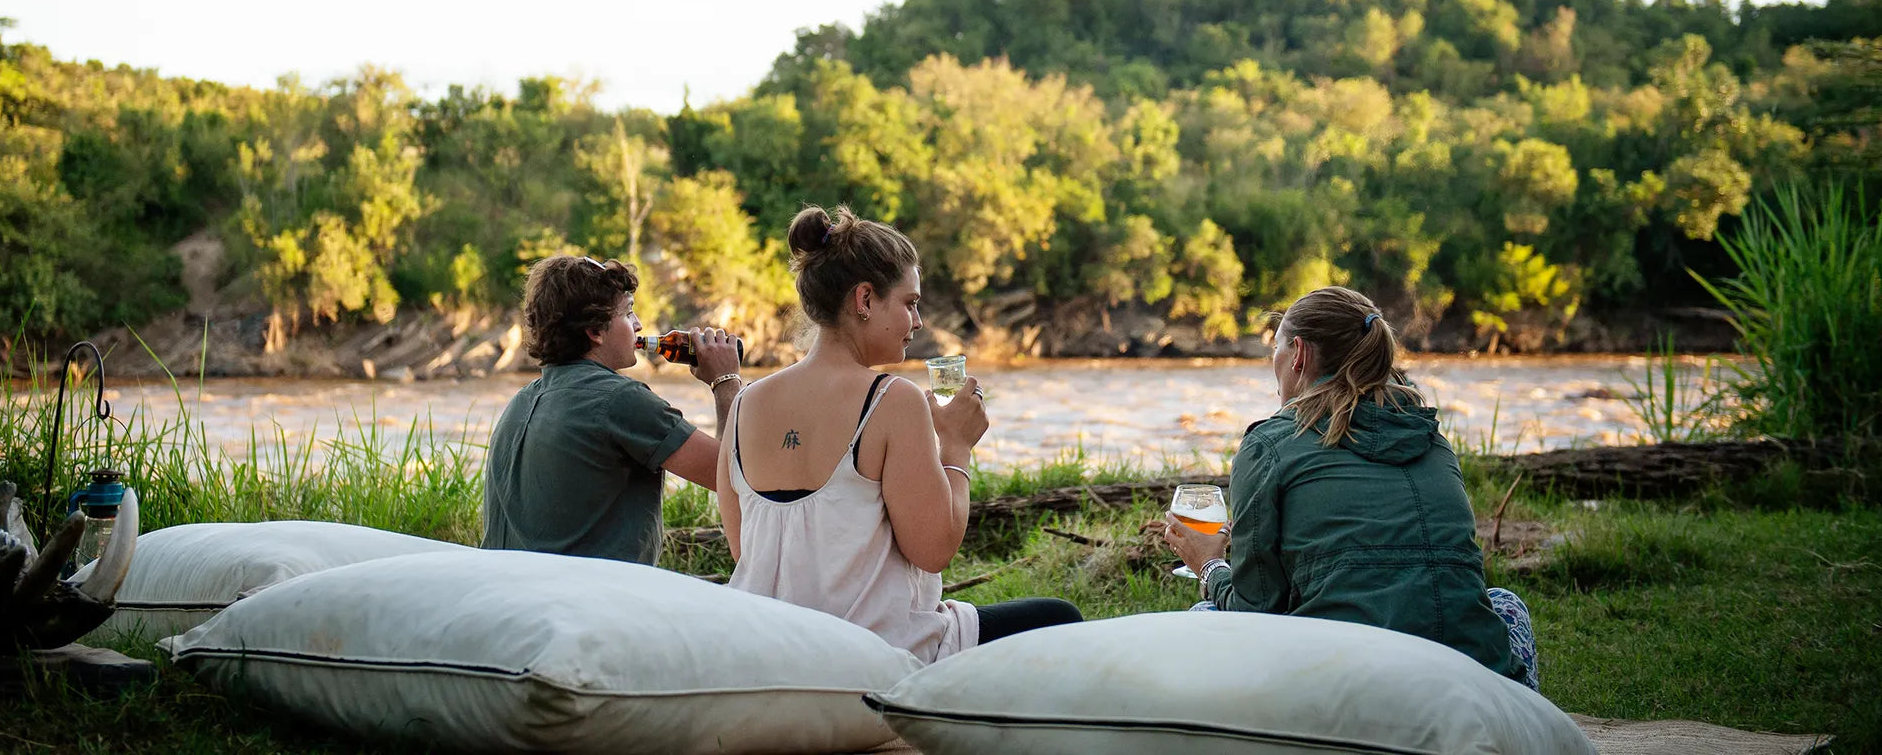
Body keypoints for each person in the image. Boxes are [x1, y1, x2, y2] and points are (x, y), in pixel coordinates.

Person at [717, 205, 1082, 664]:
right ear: (865, 300)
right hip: (872, 657)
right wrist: (956, 446)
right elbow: (934, 550)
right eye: (910, 303)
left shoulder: (744, 404)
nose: (919, 321)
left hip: (768, 654)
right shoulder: (891, 398)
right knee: (1060, 618)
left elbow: (744, 552)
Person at [1147, 286, 1540, 690]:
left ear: (1298, 354)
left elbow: (1256, 610)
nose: (1274, 363)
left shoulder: (1269, 445)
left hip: (1346, 690)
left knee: (1203, 618)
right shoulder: (1432, 440)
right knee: (1505, 603)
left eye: (1276, 349)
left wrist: (1209, 565)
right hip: (1480, 685)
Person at [481, 255, 743, 565]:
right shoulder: (619, 400)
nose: (639, 324)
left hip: (512, 586)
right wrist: (725, 381)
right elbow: (733, 478)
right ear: (596, 331)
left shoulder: (521, 401)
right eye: (628, 312)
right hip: (591, 593)